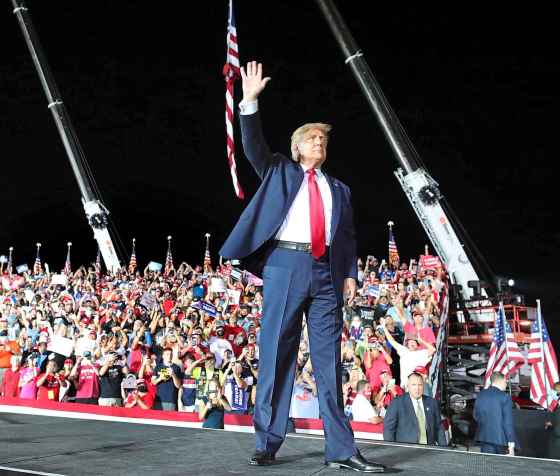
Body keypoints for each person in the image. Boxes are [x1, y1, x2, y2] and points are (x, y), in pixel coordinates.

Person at [219, 61, 384, 472]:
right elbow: (253, 146)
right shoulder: (279, 170)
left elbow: (345, 238)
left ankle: (342, 451)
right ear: (297, 148)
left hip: (326, 273)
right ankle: (268, 441)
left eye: (323, 140)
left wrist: (349, 275)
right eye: (311, 138)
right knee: (276, 353)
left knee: (329, 363)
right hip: (285, 265)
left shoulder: (339, 190)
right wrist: (250, 102)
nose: (318, 143)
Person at [383, 372, 447, 446]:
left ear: (423, 386)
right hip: (406, 452)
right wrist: (392, 451)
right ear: (408, 386)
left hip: (429, 451)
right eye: (414, 385)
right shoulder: (397, 403)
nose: (417, 388)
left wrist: (443, 449)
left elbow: (438, 428)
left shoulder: (432, 403)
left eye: (420, 385)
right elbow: (388, 429)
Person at [473, 372, 518, 455]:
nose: (506, 384)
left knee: (487, 466)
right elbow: (507, 423)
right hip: (501, 440)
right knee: (500, 466)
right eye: (505, 381)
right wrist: (511, 444)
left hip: (484, 438)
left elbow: (476, 416)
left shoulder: (480, 395)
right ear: (500, 381)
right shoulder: (505, 397)